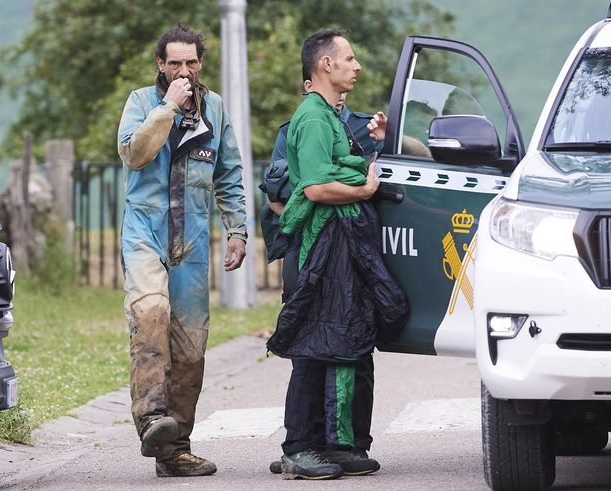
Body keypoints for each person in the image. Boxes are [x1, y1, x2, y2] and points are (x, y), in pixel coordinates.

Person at [265, 29, 408, 480]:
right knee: (313, 339)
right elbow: (314, 187)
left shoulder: (333, 117)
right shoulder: (310, 118)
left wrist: (369, 153)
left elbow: (342, 164)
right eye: (348, 58)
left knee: (346, 335)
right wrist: (363, 186)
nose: (356, 65)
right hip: (320, 244)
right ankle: (299, 447)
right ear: (325, 66)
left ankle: (340, 444)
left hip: (345, 244)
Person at [116, 24, 247, 478]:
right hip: (144, 230)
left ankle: (175, 448)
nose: (184, 70)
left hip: (191, 238)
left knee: (191, 345)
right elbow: (134, 155)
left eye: (191, 62)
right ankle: (153, 420)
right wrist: (167, 107)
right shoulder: (141, 103)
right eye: (175, 62)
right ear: (161, 65)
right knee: (151, 318)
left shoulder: (215, 110)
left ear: (200, 63)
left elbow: (229, 172)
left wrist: (238, 230)